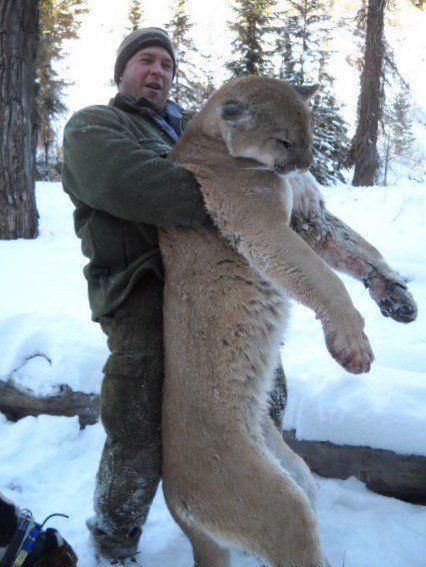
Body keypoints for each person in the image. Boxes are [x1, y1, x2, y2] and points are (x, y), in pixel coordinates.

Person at [62, 27, 286, 565]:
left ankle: (252, 503)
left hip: (210, 284)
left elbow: (266, 175)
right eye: (146, 61)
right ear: (122, 72)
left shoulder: (194, 132)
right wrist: (240, 204)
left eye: (166, 64)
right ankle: (115, 535)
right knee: (137, 412)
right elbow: (134, 185)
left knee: (266, 394)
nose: (158, 71)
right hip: (139, 285)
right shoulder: (94, 125)